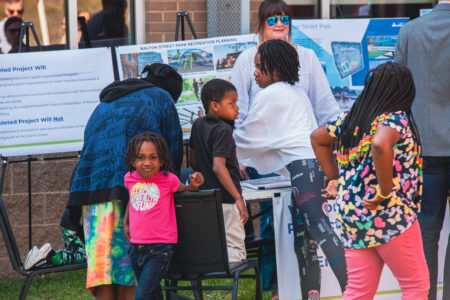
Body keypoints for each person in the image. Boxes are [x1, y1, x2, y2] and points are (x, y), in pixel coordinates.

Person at [230, 1, 340, 296]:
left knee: (315, 233)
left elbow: (244, 136)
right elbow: (240, 110)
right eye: (271, 18)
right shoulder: (282, 85)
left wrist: (220, 144)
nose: (279, 23)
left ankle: (349, 288)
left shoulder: (277, 89)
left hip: (299, 167)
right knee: (293, 235)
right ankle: (292, 291)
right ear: (261, 22)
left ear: (273, 68)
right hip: (294, 165)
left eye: (284, 18)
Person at [311, 61, 429, 299]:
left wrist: (335, 178)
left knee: (358, 290)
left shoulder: (352, 120)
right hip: (389, 213)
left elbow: (317, 138)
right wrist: (385, 191)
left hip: (352, 215)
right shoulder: (394, 120)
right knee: (416, 286)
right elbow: (380, 144)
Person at [67, 63, 183, 299]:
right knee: (131, 268)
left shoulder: (106, 101)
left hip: (92, 194)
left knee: (104, 269)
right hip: (133, 191)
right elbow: (173, 148)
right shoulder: (162, 97)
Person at [395, 2, 450, 299]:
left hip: (423, 142)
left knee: (426, 230)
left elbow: (397, 90)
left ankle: (424, 296)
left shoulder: (409, 32)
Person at [123, 131, 204, 300]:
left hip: (159, 250)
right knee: (153, 294)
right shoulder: (129, 178)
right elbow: (133, 199)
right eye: (141, 157)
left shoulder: (169, 180)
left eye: (153, 157)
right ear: (133, 160)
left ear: (161, 161)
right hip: (136, 248)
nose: (147, 162)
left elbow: (186, 189)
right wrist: (126, 221)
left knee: (142, 296)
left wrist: (194, 184)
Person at [189, 79, 249, 267]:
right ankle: (234, 289)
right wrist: (238, 198)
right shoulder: (223, 129)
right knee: (236, 254)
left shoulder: (198, 124)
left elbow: (194, 160)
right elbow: (218, 166)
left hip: (207, 198)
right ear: (214, 106)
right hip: (227, 200)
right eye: (231, 103)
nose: (237, 108)